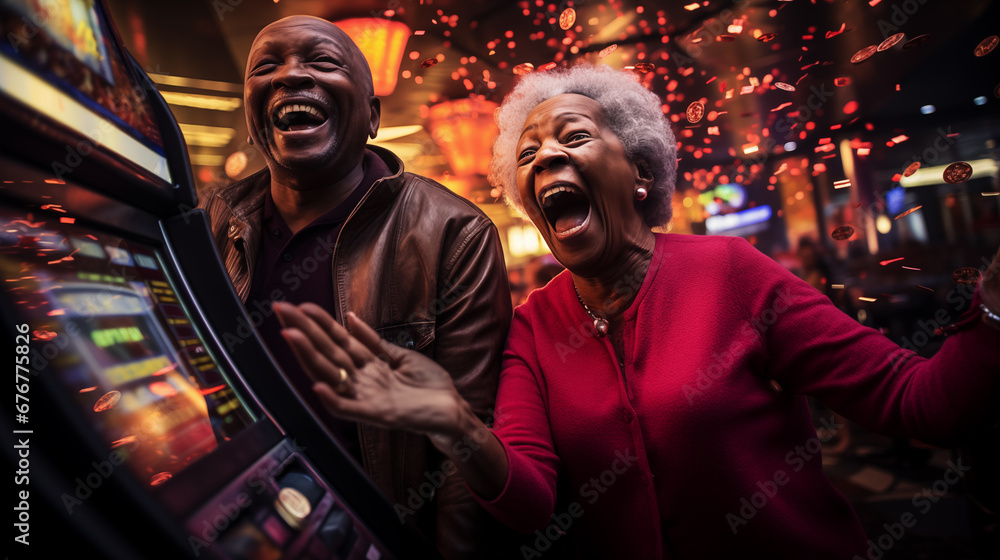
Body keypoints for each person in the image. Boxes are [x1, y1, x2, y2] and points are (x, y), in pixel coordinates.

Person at [273, 64, 1000, 558]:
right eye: (528, 153)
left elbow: (920, 405)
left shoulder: (733, 274)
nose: (544, 158)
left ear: (641, 174)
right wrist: (457, 424)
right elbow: (528, 502)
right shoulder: (532, 324)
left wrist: (992, 310)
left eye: (574, 137)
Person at [197, 16, 513, 559]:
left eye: (321, 62)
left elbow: (467, 444)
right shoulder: (210, 221)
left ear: (372, 115)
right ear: (251, 119)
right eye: (267, 66)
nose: (290, 77)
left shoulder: (452, 232)